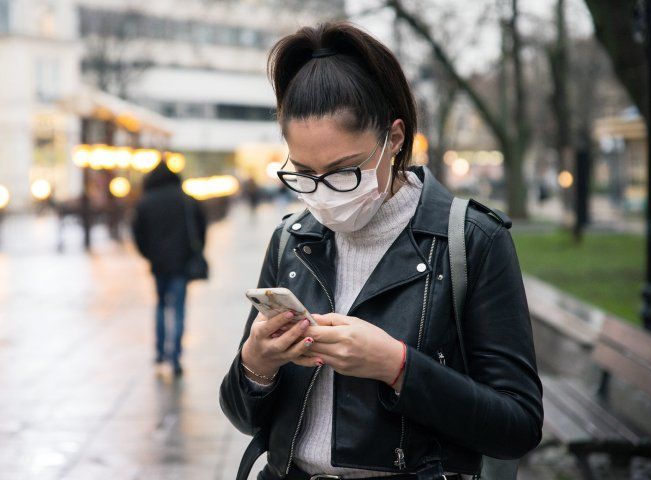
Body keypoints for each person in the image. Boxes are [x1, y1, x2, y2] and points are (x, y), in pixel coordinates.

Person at [219, 21, 543, 480]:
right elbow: (245, 420)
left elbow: (518, 427)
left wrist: (397, 367)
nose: (324, 194)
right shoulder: (292, 238)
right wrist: (255, 363)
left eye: (343, 171)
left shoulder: (470, 240)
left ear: (393, 139)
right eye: (305, 174)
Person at [132, 161, 207, 376]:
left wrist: (149, 255)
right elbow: (201, 229)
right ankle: (175, 357)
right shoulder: (186, 199)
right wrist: (194, 252)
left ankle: (159, 352)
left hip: (158, 264)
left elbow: (137, 235)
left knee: (160, 306)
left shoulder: (145, 202)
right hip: (181, 264)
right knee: (179, 308)